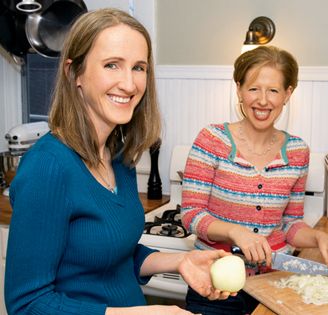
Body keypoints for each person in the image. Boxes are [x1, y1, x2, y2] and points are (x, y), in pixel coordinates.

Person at [5, 8, 233, 315]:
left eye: (139, 68)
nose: (129, 84)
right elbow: (27, 303)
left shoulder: (120, 157)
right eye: (112, 65)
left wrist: (180, 261)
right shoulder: (48, 167)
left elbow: (113, 255)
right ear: (75, 74)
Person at [181, 46, 328, 314]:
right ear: (238, 89)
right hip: (215, 285)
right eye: (253, 89)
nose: (263, 100)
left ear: (288, 94)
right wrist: (235, 231)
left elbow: (290, 224)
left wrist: (319, 238)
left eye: (273, 90)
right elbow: (191, 215)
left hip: (274, 284)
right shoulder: (211, 141)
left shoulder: (297, 152)